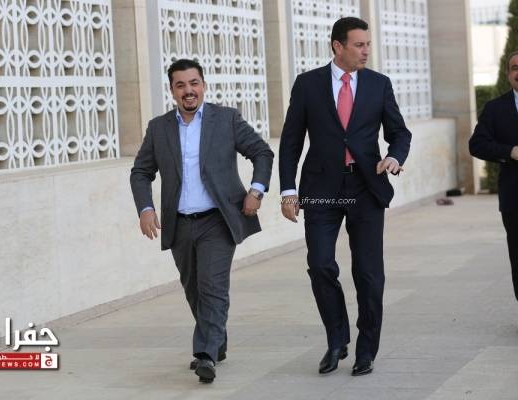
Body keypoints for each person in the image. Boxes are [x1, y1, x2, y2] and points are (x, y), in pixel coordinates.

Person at [278, 17, 411, 376]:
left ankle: (366, 349)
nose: (366, 51)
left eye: (368, 44)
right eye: (359, 45)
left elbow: (400, 133)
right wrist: (288, 191)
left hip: (366, 187)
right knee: (320, 264)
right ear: (338, 46)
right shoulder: (308, 84)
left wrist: (394, 157)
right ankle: (337, 339)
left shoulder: (379, 84)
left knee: (368, 274)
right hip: (321, 189)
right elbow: (291, 141)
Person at [130, 59, 274, 383]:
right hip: (179, 224)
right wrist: (146, 209)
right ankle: (216, 341)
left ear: (203, 86)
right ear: (172, 90)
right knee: (194, 289)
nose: (188, 90)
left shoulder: (226, 119)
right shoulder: (159, 128)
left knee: (212, 286)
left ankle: (205, 354)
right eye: (180, 85)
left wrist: (256, 190)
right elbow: (140, 172)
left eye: (194, 83)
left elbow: (262, 152)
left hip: (218, 220)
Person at [469, 50, 518, 303]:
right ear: (508, 74)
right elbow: (477, 145)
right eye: (515, 68)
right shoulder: (495, 108)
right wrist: (509, 152)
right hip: (514, 198)